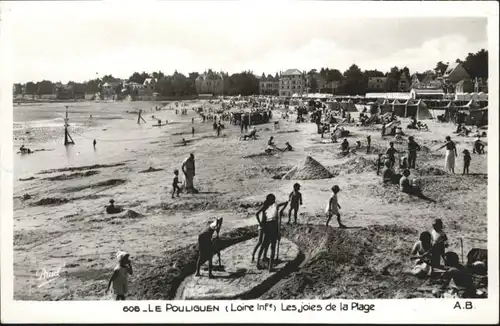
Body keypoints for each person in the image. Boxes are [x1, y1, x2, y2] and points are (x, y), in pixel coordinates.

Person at [255, 194, 288, 271]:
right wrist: (285, 205)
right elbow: (278, 214)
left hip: (267, 227)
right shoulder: (274, 206)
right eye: (273, 200)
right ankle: (270, 267)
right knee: (272, 247)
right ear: (271, 200)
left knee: (263, 245)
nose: (274, 201)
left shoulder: (267, 206)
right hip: (273, 227)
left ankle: (258, 263)